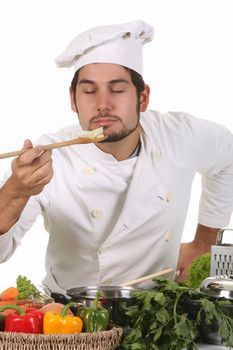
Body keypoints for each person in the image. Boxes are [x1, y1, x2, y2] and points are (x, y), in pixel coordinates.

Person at [0, 20, 233, 293]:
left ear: (142, 98)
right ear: (73, 99)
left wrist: (203, 243)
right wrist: (15, 192)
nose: (102, 104)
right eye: (88, 91)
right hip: (68, 320)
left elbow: (228, 154)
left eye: (118, 89)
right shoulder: (47, 157)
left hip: (159, 313)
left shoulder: (180, 136)